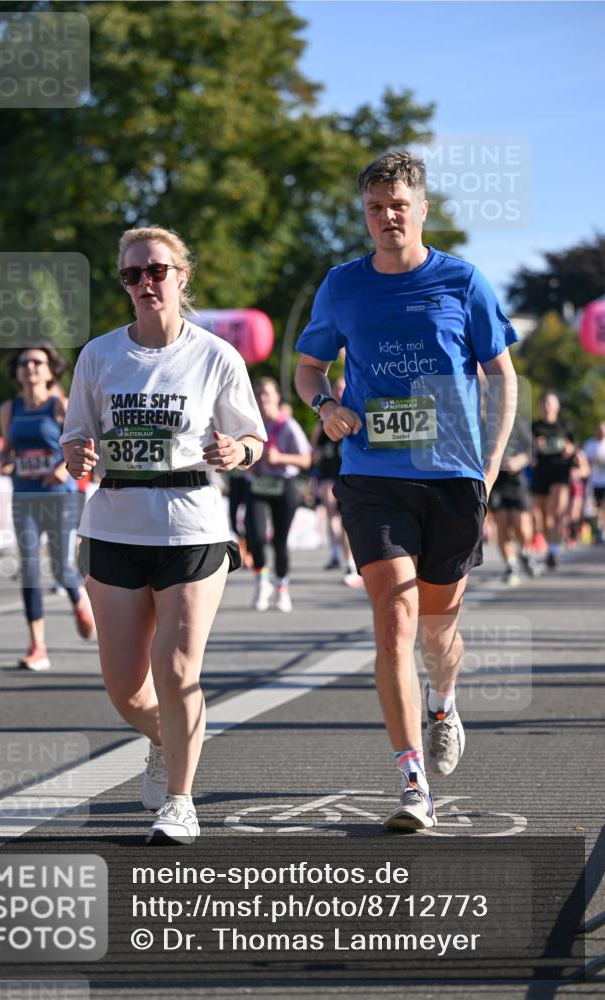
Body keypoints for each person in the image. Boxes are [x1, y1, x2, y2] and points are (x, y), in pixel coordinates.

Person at [295, 151, 518, 832]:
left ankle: (443, 701)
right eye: (374, 207)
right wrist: (325, 404)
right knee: (392, 619)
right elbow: (308, 368)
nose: (387, 216)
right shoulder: (341, 286)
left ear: (420, 209)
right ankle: (410, 776)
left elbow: (501, 374)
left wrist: (488, 466)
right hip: (373, 476)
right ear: (362, 215)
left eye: (398, 204)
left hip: (452, 478)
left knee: (436, 628)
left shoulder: (461, 280)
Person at [61, 225, 265, 845]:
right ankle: (163, 739)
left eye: (157, 271)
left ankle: (179, 800)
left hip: (191, 522)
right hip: (115, 524)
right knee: (126, 690)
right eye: (133, 275)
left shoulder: (215, 355)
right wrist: (77, 456)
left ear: (182, 277)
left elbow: (254, 439)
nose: (145, 283)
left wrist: (238, 449)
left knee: (177, 671)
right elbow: (75, 436)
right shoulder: (99, 355)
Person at [0, 347, 95, 670]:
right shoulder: (9, 409)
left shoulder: (60, 406)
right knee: (29, 569)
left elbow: (82, 445)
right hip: (24, 497)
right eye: (24, 362)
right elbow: (10, 452)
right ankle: (37, 646)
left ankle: (79, 599)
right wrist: (4, 464)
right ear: (17, 371)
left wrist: (63, 469)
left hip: (60, 498)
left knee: (62, 569)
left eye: (38, 362)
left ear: (51, 371)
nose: (30, 367)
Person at [245, 377, 312, 613]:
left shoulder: (288, 425)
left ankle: (282, 587)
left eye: (267, 393)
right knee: (256, 536)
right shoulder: (252, 425)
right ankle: (262, 582)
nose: (263, 398)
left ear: (276, 397)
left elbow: (306, 459)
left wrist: (281, 458)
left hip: (285, 486)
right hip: (259, 485)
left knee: (279, 541)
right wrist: (247, 463)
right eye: (259, 394)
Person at [310, 375, 361, 586]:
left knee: (348, 520)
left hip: (350, 475)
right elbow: (313, 451)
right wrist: (315, 468)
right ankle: (336, 552)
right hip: (329, 476)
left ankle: (350, 560)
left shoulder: (358, 414)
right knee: (333, 516)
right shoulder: (324, 422)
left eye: (343, 388)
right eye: (337, 389)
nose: (340, 393)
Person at [488, 415, 537, 585]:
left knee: (521, 522)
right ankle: (511, 565)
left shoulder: (518, 424)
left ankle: (524, 551)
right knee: (502, 523)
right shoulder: (482, 424)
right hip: (496, 481)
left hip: (517, 482)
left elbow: (530, 449)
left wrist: (518, 461)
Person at [531, 391, 575, 569]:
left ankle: (553, 551)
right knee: (543, 516)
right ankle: (550, 545)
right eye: (544, 404)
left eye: (551, 403)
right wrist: (536, 446)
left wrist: (569, 449)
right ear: (540, 407)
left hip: (560, 471)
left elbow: (573, 448)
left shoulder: (565, 426)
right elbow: (527, 450)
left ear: (557, 406)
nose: (547, 407)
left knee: (555, 512)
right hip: (541, 472)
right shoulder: (535, 427)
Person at [584, 421, 605, 544]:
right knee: (595, 508)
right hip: (594, 481)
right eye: (600, 429)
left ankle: (603, 531)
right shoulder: (590, 444)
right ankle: (598, 531)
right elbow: (584, 461)